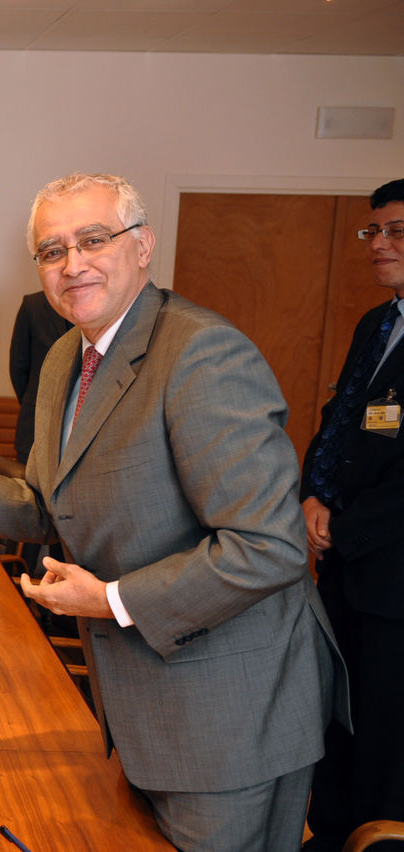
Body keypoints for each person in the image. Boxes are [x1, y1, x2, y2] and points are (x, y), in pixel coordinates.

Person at [0, 173, 346, 852]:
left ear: (144, 246)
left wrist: (112, 599)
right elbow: (49, 503)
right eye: (51, 250)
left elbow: (268, 546)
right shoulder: (70, 353)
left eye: (93, 240)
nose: (72, 265)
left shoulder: (200, 354)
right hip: (141, 701)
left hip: (230, 715)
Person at [301, 178, 404, 852]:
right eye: (375, 232)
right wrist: (313, 493)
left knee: (387, 732)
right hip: (344, 567)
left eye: (396, 231)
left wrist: (347, 525)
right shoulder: (379, 322)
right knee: (335, 716)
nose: (378, 245)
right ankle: (333, 834)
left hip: (394, 576)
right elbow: (339, 420)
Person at [8, 290, 71, 463]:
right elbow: (18, 366)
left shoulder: (97, 303)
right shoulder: (32, 305)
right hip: (34, 424)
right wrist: (37, 403)